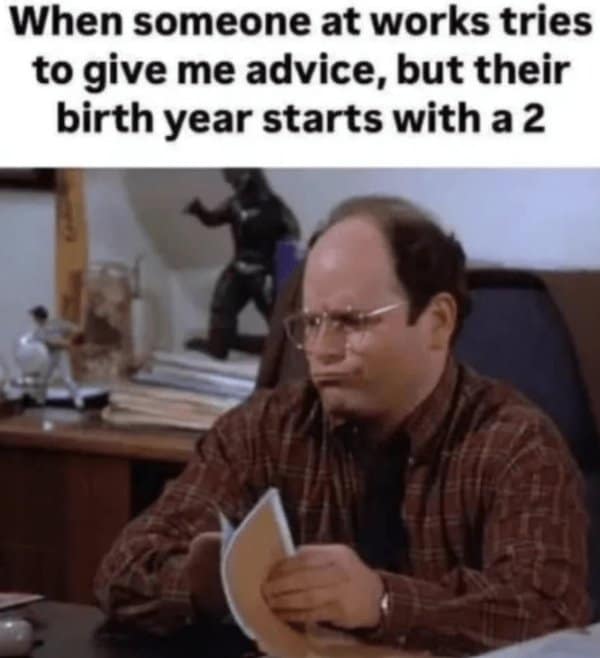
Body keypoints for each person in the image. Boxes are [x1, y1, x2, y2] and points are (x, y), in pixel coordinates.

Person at [95, 196, 589, 655]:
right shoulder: (265, 428)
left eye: (352, 322)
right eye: (312, 323)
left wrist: (380, 601)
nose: (322, 351)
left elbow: (550, 617)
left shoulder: (517, 444)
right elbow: (121, 572)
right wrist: (207, 585)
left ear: (437, 321)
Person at [184, 168, 300, 359]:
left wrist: (280, 270)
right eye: (231, 181)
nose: (233, 185)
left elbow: (292, 233)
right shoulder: (235, 204)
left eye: (235, 180)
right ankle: (218, 347)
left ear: (249, 176)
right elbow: (213, 219)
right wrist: (199, 211)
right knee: (222, 306)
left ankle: (281, 351)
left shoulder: (273, 205)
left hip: (264, 271)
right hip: (238, 268)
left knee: (277, 315)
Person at [28, 305, 84, 409]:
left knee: (67, 378)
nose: (34, 319)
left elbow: (77, 329)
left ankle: (78, 400)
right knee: (44, 378)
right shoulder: (38, 332)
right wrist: (60, 342)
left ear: (39, 317)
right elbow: (49, 343)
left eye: (35, 316)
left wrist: (70, 341)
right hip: (49, 355)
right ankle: (40, 400)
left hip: (61, 354)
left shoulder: (57, 323)